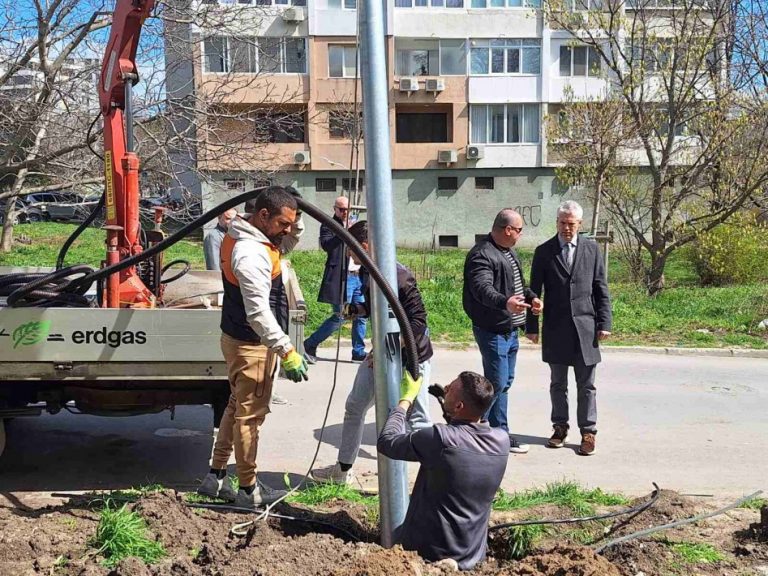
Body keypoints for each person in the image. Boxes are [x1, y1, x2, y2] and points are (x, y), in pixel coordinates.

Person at [197, 186, 309, 508]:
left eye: (292, 222)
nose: (288, 230)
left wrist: (294, 211)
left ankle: (215, 476)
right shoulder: (251, 253)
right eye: (283, 223)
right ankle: (249, 490)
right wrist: (286, 350)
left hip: (239, 339)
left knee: (235, 408)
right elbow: (258, 313)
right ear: (263, 216)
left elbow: (289, 240)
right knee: (250, 418)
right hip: (251, 346)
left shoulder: (256, 236)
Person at [311, 220, 433, 485]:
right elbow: (375, 308)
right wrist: (356, 311)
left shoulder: (398, 275)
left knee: (418, 419)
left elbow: (418, 321)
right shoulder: (368, 273)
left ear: (365, 246)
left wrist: (390, 348)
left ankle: (434, 482)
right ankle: (342, 471)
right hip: (382, 353)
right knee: (355, 406)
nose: (350, 256)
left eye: (352, 250)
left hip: (411, 357)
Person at [377, 370, 509, 570]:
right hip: (473, 559)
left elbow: (387, 442)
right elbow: (464, 440)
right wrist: (448, 407)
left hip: (427, 557)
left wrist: (405, 399)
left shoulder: (440, 439)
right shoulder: (501, 441)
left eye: (452, 388)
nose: (446, 387)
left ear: (459, 406)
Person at [525, 200, 612, 456]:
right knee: (558, 384)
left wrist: (604, 322)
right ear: (557, 223)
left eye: (571, 224)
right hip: (556, 328)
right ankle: (560, 428)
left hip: (585, 328)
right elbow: (533, 291)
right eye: (562, 223)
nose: (566, 228)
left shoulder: (591, 249)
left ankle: (588, 433)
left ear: (579, 225)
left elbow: (601, 288)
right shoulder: (544, 251)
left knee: (587, 385)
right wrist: (532, 327)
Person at [463, 209, 542, 454]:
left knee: (503, 382)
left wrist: (532, 298)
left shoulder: (507, 252)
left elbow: (518, 286)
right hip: (492, 329)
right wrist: (505, 302)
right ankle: (472, 433)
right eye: (519, 230)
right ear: (507, 230)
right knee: (496, 383)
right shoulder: (482, 254)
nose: (521, 234)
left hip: (509, 329)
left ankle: (499, 433)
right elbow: (481, 288)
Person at [303, 196, 367, 363]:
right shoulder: (329, 224)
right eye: (341, 209)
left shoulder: (355, 224)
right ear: (335, 209)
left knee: (360, 315)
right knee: (341, 315)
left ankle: (358, 352)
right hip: (342, 278)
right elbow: (327, 245)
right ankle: (310, 344)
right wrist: (343, 231)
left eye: (347, 209)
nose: (345, 212)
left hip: (358, 276)